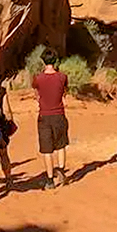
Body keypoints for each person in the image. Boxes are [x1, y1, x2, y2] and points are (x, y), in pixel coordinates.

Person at [32, 49, 70, 189]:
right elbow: (64, 92)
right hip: (59, 114)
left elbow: (36, 95)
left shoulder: (38, 78)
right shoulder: (62, 77)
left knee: (47, 149)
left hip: (44, 115)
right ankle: (61, 171)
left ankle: (49, 179)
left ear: (43, 61)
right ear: (55, 61)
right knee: (61, 144)